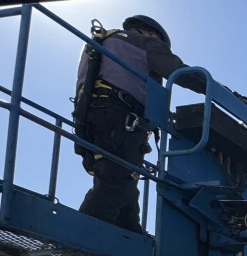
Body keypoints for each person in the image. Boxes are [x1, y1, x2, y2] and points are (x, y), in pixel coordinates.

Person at [74, 15, 205, 233]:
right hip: (120, 118)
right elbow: (180, 72)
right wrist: (217, 90)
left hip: (89, 118)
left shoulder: (103, 41)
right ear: (153, 34)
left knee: (121, 178)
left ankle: (130, 233)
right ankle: (77, 242)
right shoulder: (146, 43)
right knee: (117, 183)